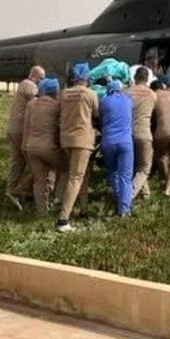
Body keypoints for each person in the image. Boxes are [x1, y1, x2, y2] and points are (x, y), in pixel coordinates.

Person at [55, 63, 99, 233]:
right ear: (86, 77)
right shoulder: (90, 94)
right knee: (76, 177)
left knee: (82, 174)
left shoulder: (64, 94)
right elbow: (96, 114)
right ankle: (63, 219)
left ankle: (83, 209)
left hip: (66, 139)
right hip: (83, 139)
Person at [22, 78, 68, 215]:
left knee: (39, 181)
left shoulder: (32, 104)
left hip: (31, 146)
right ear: (55, 91)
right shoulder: (56, 106)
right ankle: (58, 200)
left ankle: (41, 213)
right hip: (49, 147)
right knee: (66, 170)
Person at [5, 65, 45, 210]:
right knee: (32, 161)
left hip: (15, 128)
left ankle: (11, 191)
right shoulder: (29, 86)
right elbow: (40, 101)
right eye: (41, 78)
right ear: (33, 75)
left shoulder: (24, 85)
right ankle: (24, 190)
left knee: (17, 162)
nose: (42, 81)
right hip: (21, 129)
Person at [99, 80, 134, 216]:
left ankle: (119, 196)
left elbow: (101, 119)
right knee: (125, 176)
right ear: (120, 89)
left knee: (112, 170)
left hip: (108, 142)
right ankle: (124, 210)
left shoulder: (104, 102)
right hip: (125, 142)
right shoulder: (128, 101)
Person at [127, 66, 157, 201]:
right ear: (147, 79)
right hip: (144, 133)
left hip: (128, 134)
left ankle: (145, 194)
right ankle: (128, 196)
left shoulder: (126, 92)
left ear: (134, 78)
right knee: (144, 168)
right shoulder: (152, 94)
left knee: (135, 165)